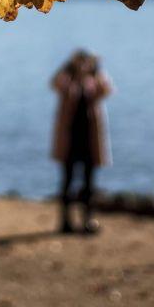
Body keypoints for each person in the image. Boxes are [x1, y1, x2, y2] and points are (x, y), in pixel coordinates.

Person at [50, 49, 112, 234]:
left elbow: (106, 89)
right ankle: (65, 222)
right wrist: (68, 67)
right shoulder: (68, 82)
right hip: (70, 143)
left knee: (89, 184)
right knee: (67, 182)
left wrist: (96, 69)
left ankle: (87, 220)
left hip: (89, 143)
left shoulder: (93, 82)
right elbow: (55, 83)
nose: (83, 66)